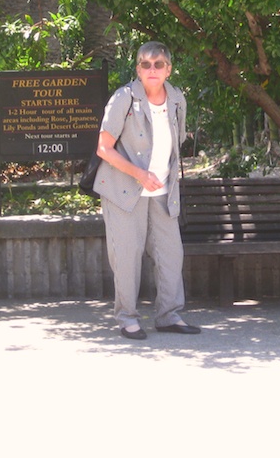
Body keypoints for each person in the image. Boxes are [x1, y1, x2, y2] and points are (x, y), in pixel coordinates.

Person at [94, 41, 200, 340]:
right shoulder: (124, 98)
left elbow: (174, 145)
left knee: (171, 255)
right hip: (124, 192)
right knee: (127, 257)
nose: (152, 70)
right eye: (145, 64)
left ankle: (169, 315)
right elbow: (104, 148)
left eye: (158, 64)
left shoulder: (177, 98)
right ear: (138, 69)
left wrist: (161, 178)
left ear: (168, 69)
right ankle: (127, 317)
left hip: (164, 192)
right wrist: (140, 174)